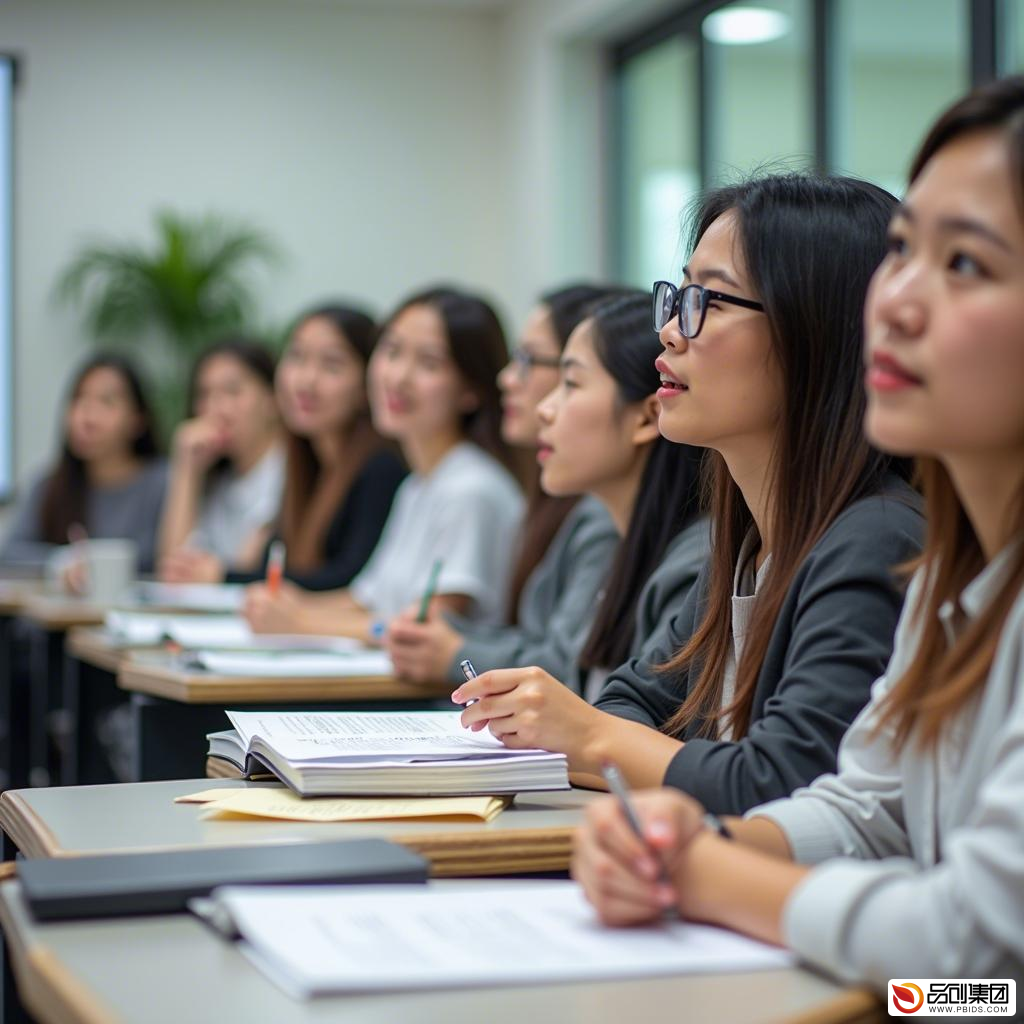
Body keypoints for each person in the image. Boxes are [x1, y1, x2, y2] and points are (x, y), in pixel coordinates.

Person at [571, 77, 1024, 989]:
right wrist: (707, 841)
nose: (893, 304)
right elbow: (869, 810)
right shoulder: (954, 574)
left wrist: (703, 872)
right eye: (902, 253)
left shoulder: (880, 539)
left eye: (965, 264)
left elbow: (975, 968)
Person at [454, 173, 923, 813]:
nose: (672, 330)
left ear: (818, 331)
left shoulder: (877, 539)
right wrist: (606, 735)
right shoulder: (748, 545)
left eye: (711, 301)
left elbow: (786, 780)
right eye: (678, 296)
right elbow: (632, 700)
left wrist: (592, 736)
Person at [244, 286, 524, 641]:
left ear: (471, 390)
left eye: (429, 363)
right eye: (392, 352)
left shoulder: (471, 490)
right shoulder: (419, 484)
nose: (398, 376)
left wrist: (301, 622)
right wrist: (290, 607)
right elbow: (369, 601)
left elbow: (429, 629)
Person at [386, 284, 622, 685]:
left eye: (529, 361)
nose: (508, 379)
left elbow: (568, 669)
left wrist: (454, 651)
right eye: (391, 351)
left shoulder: (603, 515)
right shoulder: (558, 500)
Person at [228, 304, 406, 590]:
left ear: (366, 384)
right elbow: (273, 566)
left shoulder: (382, 468)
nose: (306, 381)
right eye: (296, 358)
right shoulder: (307, 462)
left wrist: (223, 576)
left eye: (331, 365)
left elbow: (348, 580)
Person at [0, 353, 166, 575]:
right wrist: (60, 563)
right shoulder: (50, 484)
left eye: (107, 402)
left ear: (138, 419)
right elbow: (11, 553)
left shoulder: (163, 482)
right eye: (79, 400)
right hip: (61, 610)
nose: (87, 418)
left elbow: (163, 560)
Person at [157, 337, 284, 580]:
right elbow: (174, 568)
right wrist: (186, 469)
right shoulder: (221, 478)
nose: (216, 408)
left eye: (232, 391)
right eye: (204, 394)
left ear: (271, 399)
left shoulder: (288, 471)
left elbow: (247, 569)